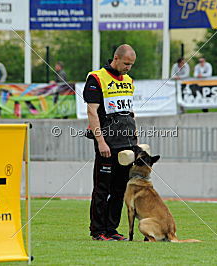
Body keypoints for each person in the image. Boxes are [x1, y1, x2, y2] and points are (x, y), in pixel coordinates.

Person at [83, 44, 137, 241]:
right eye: (126, 63)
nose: (128, 68)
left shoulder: (129, 80)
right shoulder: (96, 78)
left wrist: (134, 137)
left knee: (119, 189)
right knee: (102, 189)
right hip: (107, 142)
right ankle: (98, 231)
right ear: (116, 58)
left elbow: (130, 111)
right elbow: (92, 112)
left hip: (126, 143)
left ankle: (112, 229)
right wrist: (101, 142)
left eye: (131, 64)